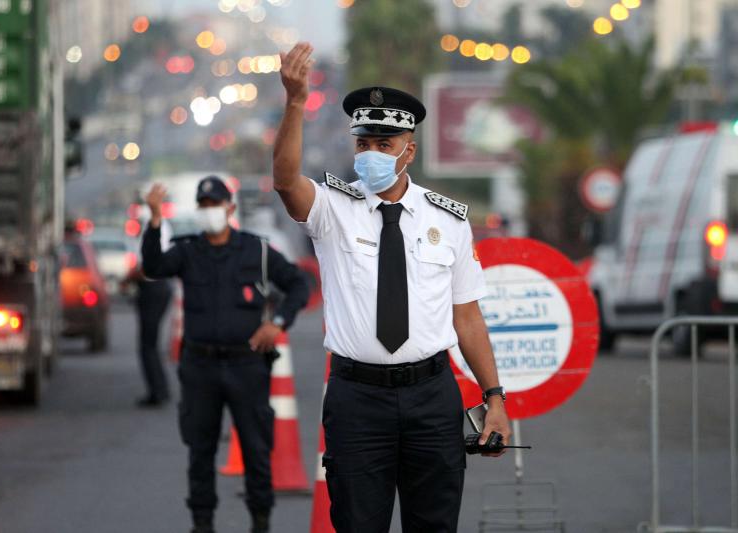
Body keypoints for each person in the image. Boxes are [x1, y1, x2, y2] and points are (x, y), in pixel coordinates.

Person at [272, 42, 512, 533]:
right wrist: (295, 102)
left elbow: (467, 318)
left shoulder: (449, 220)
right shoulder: (332, 207)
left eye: (385, 145)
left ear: (409, 150)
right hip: (357, 400)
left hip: (431, 396)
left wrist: (495, 398)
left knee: (435, 524)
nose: (372, 154)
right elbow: (284, 181)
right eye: (364, 144)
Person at [141, 175, 309, 533]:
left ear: (230, 208)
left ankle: (260, 521)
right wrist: (155, 221)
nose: (209, 211)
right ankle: (202, 523)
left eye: (214, 204)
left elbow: (298, 284)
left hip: (246, 364)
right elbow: (153, 267)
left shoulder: (256, 251)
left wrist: (278, 322)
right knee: (199, 451)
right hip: (199, 366)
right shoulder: (188, 251)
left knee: (256, 450)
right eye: (203, 206)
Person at [123, 217, 174, 408]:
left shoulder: (156, 228)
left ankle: (158, 391)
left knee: (148, 345)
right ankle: (159, 389)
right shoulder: (153, 228)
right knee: (150, 344)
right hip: (154, 288)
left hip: (153, 289)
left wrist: (128, 278)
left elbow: (149, 266)